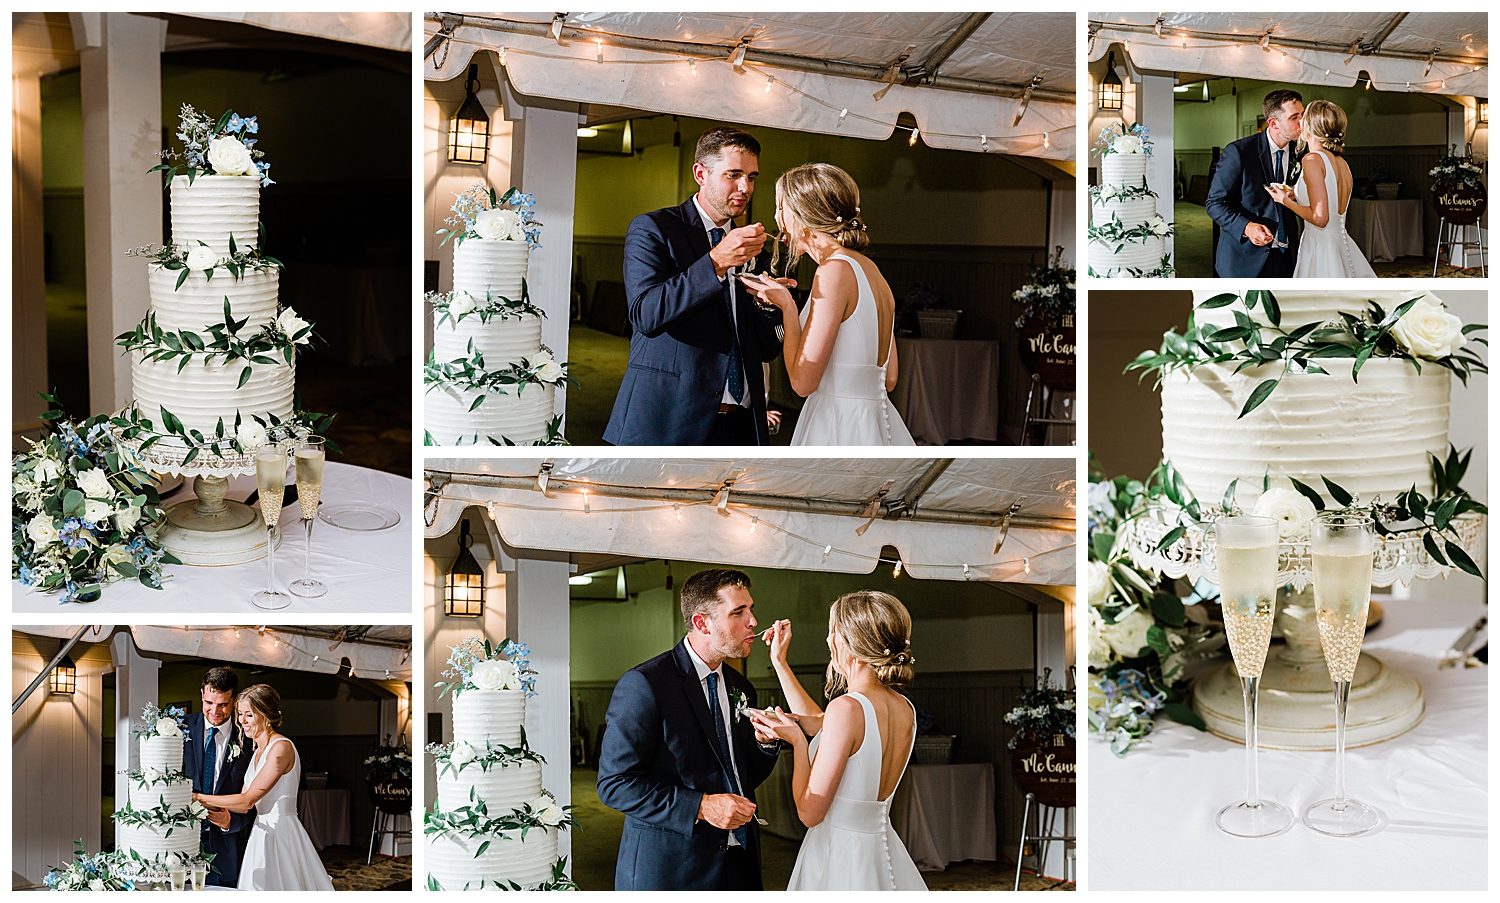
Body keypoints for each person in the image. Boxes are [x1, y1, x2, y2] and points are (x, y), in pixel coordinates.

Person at [605, 127, 795, 446]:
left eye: (751, 177)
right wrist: (716, 262)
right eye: (733, 175)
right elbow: (645, 315)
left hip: (741, 427)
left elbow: (766, 350)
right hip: (668, 422)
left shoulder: (755, 251)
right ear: (700, 174)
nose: (745, 187)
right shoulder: (654, 229)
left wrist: (770, 305)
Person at [596, 568, 783, 889]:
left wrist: (764, 744)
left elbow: (741, 776)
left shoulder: (741, 688)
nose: (753, 621)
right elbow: (615, 784)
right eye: (738, 612)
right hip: (672, 869)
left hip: (740, 865)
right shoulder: (645, 684)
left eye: (751, 610)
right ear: (702, 623)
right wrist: (701, 806)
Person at [750, 591, 926, 890]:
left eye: (832, 631)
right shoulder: (903, 707)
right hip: (881, 850)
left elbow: (809, 814)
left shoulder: (847, 709)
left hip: (841, 855)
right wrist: (779, 662)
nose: (828, 640)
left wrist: (798, 743)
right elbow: (822, 723)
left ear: (848, 642)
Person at [739, 164, 915, 446]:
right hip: (878, 422)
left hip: (838, 424)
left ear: (802, 216)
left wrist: (787, 308)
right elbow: (890, 378)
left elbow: (802, 383)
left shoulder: (833, 271)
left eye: (780, 208)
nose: (776, 218)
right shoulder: (871, 271)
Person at [194, 684, 335, 891]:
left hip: (280, 833)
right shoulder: (257, 752)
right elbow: (243, 806)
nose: (242, 721)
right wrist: (220, 815)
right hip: (260, 832)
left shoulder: (281, 748)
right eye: (240, 714)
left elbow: (247, 800)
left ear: (266, 715)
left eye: (249, 715)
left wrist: (197, 798)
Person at [1265, 100, 1378, 278]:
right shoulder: (1342, 163)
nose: (1300, 122)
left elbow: (1320, 218)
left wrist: (1284, 200)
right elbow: (1329, 200)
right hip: (1341, 244)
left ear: (1311, 127)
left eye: (1304, 118)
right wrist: (1296, 193)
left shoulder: (1312, 159)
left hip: (1320, 247)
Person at [1205, 89, 1305, 277]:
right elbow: (1215, 203)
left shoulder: (1302, 154)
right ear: (1273, 123)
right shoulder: (1239, 151)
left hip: (1288, 255)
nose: (1303, 122)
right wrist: (1247, 227)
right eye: (1294, 117)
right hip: (1244, 258)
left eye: (1303, 115)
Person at [183, 667, 256, 887]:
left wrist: (231, 823)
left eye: (223, 704)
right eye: (209, 703)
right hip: (181, 845)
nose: (215, 711)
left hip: (226, 848)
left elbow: (256, 800)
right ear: (202, 694)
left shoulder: (249, 740)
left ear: (235, 700)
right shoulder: (180, 729)